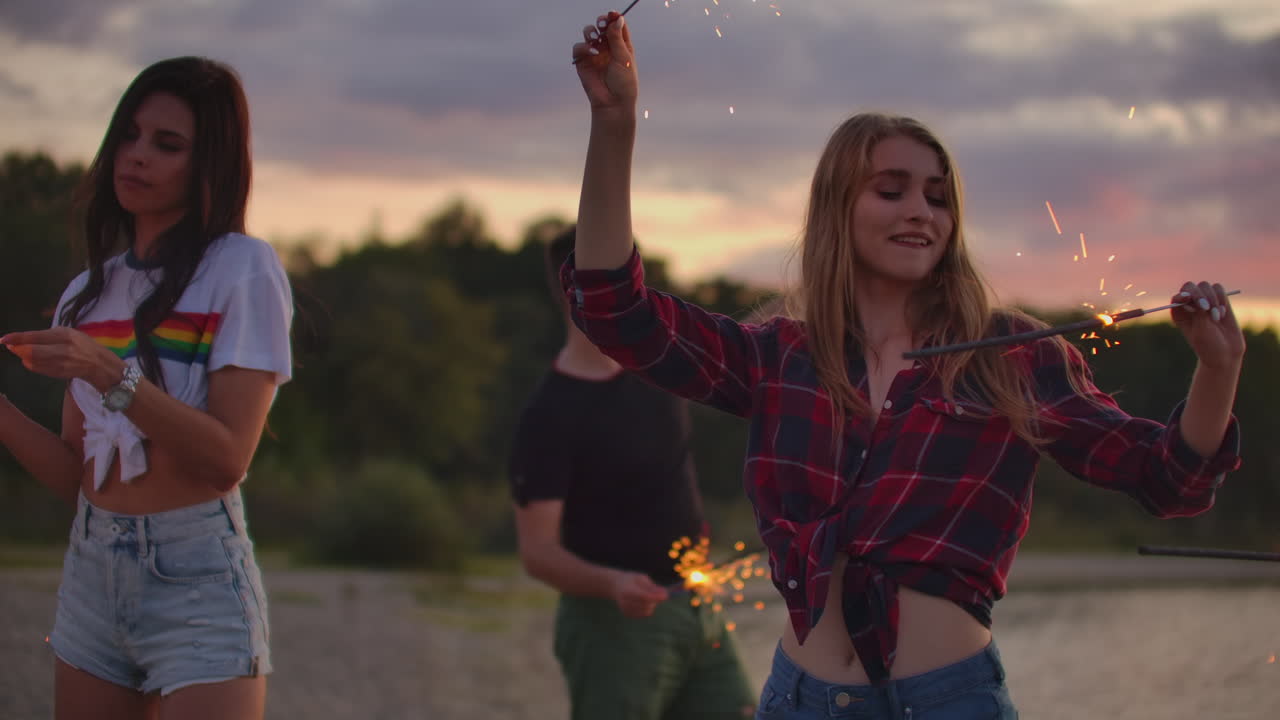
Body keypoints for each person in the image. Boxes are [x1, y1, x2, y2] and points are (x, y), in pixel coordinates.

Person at [567, 13, 1244, 719]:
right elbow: (616, 312)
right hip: (800, 701)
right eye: (891, 191)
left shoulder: (1013, 357)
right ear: (839, 208)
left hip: (948, 701)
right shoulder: (780, 358)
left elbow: (1170, 479)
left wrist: (1216, 370)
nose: (921, 211)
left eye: (938, 197)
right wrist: (614, 127)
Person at [0, 57, 292, 720]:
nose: (135, 157)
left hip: (196, 578)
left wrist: (108, 371)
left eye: (167, 145)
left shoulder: (241, 269)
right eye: (128, 136)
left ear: (208, 163)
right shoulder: (85, 294)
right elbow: (81, 479)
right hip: (90, 577)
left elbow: (226, 460)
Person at [509, 225, 756, 720]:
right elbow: (538, 554)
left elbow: (746, 353)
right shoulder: (551, 414)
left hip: (698, 606)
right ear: (571, 289)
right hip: (613, 628)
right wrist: (613, 584)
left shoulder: (658, 366)